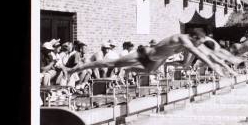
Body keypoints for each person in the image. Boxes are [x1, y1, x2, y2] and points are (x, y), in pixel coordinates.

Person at [67, 29, 229, 78]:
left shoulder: (191, 43)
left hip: (157, 60)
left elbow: (204, 54)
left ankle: (129, 70)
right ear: (193, 38)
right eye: (198, 42)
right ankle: (77, 68)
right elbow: (198, 54)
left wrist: (221, 64)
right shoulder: (183, 39)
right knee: (110, 64)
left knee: (150, 71)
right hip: (146, 54)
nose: (198, 45)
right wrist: (216, 69)